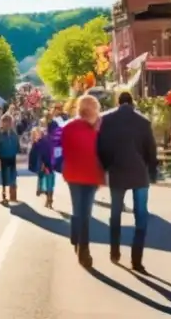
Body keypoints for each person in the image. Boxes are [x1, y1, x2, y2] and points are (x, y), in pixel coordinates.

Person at [96, 92, 157, 273]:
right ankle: (136, 259)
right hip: (139, 174)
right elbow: (151, 150)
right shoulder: (143, 122)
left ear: (118, 102)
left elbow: (101, 147)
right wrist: (150, 171)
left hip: (117, 172)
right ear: (132, 103)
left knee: (115, 214)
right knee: (141, 216)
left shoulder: (106, 120)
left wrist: (106, 166)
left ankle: (115, 251)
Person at [61, 94, 105, 269]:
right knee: (85, 213)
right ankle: (84, 251)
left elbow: (63, 150)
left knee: (77, 208)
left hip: (73, 174)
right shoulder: (98, 129)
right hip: (90, 175)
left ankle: (76, 236)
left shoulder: (67, 127)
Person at [0, 114, 21, 204]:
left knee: (12, 175)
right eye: (5, 122)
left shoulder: (13, 133)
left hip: (12, 156)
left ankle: (13, 195)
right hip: (3, 157)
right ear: (2, 123)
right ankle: (4, 195)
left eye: (9, 122)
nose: (8, 124)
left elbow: (17, 145)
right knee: (5, 176)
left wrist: (18, 151)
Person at [28, 126, 56, 208]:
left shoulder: (40, 143)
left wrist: (44, 165)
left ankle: (49, 199)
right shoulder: (44, 141)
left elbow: (43, 154)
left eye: (36, 134)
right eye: (34, 135)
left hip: (45, 165)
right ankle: (49, 199)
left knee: (48, 182)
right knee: (48, 182)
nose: (35, 136)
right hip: (48, 165)